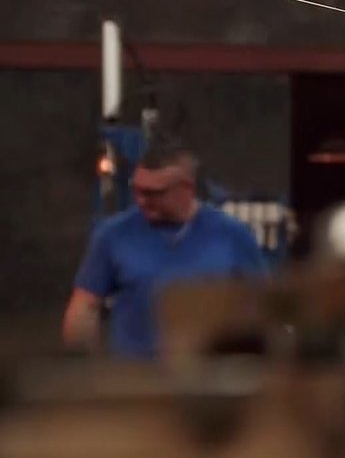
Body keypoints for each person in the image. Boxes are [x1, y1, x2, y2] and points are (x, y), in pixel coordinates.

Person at [62, 142, 269, 359]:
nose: (141, 200)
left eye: (153, 193)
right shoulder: (114, 235)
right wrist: (82, 364)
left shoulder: (232, 235)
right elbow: (85, 306)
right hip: (136, 372)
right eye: (137, 190)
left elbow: (260, 305)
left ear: (186, 189)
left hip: (209, 370)